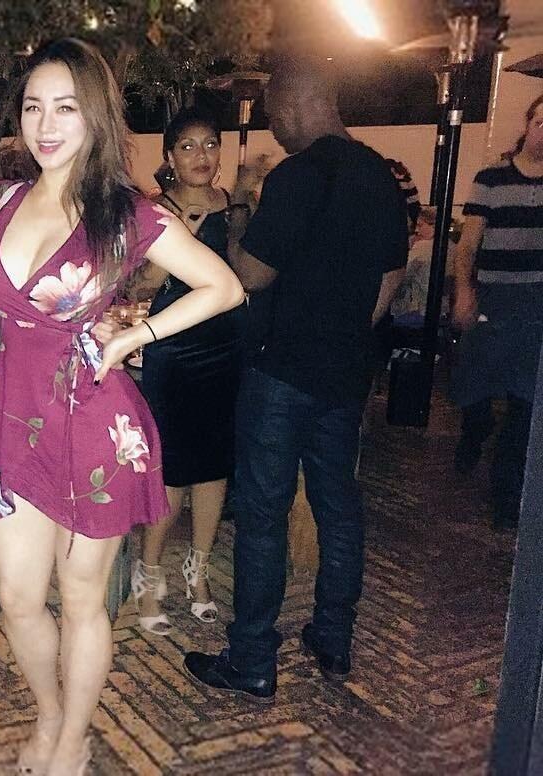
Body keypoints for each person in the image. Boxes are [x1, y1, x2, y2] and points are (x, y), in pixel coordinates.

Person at [0, 39, 242, 774]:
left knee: (83, 596)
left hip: (94, 421)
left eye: (65, 107)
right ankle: (50, 714)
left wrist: (134, 337)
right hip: (12, 419)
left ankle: (71, 740)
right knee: (17, 597)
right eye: (33, 107)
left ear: (94, 115)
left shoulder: (126, 214)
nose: (45, 124)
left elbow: (223, 287)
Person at [184, 58, 408, 703]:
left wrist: (242, 210)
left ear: (294, 103)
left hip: (280, 371)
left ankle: (252, 659)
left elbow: (250, 275)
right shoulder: (380, 175)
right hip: (345, 370)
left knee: (262, 513)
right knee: (338, 505)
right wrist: (347, 332)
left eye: (274, 113)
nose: (274, 127)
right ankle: (332, 638)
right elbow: (390, 278)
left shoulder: (297, 175)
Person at [124, 110, 248, 634]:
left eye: (210, 144)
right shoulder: (155, 210)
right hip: (172, 348)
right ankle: (148, 572)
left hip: (226, 346)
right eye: (188, 146)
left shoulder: (233, 205)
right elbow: (137, 288)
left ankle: (198, 572)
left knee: (214, 466)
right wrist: (183, 236)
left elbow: (245, 274)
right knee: (171, 467)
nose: (201, 156)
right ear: (170, 158)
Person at [449, 93, 543, 530]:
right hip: (494, 296)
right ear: (528, 124)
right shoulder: (491, 178)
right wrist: (464, 290)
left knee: (526, 402)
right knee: (476, 388)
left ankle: (506, 498)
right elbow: (468, 245)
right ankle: (473, 432)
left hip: (535, 302)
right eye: (540, 122)